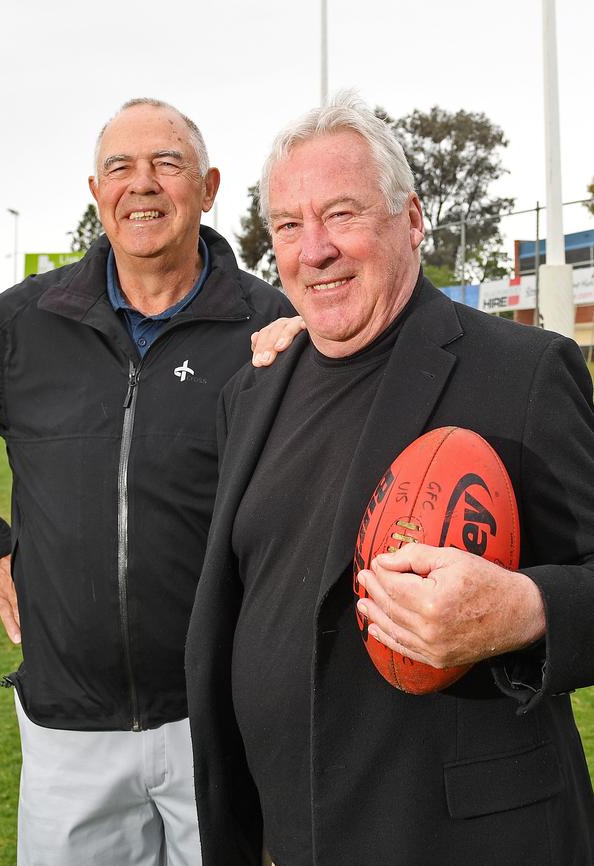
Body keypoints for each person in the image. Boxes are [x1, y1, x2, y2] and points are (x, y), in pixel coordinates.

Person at [185, 92, 594, 865]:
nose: (314, 250)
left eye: (342, 215)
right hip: (286, 836)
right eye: (288, 227)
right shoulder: (252, 389)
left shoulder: (523, 373)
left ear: (410, 219)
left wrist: (530, 609)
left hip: (456, 841)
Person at [0, 98, 298, 866]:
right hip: (69, 728)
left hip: (220, 717)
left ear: (206, 187)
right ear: (96, 191)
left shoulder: (271, 324)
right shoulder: (24, 323)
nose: (143, 184)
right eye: (120, 167)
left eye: (167, 164)